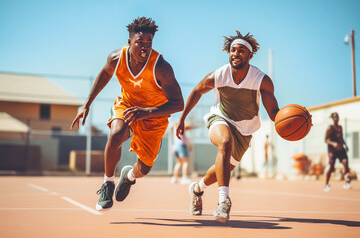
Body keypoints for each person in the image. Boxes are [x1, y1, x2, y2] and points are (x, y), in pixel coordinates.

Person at [70, 17, 184, 211]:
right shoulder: (117, 57)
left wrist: (147, 112)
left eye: (149, 43)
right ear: (129, 42)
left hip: (154, 116)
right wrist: (86, 104)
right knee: (116, 134)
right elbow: (105, 74)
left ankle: (129, 176)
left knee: (144, 169)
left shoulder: (161, 67)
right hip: (128, 106)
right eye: (140, 42)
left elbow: (178, 103)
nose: (144, 47)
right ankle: (107, 184)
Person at [176, 30, 279, 223]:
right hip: (220, 118)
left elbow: (274, 114)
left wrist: (290, 123)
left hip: (245, 129)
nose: (236, 53)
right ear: (228, 53)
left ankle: (197, 189)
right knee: (224, 141)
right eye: (233, 50)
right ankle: (224, 201)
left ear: (250, 55)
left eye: (241, 50)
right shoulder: (219, 75)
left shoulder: (261, 80)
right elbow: (197, 91)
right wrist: (182, 118)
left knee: (222, 170)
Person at [324, 112, 351, 191]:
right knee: (331, 167)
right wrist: (333, 143)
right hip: (332, 150)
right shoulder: (330, 128)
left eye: (337, 116)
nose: (336, 118)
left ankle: (347, 183)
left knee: (345, 163)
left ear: (338, 118)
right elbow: (325, 140)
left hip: (340, 148)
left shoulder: (340, 127)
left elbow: (341, 138)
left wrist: (346, 145)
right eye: (334, 117)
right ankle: (326, 185)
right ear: (332, 118)